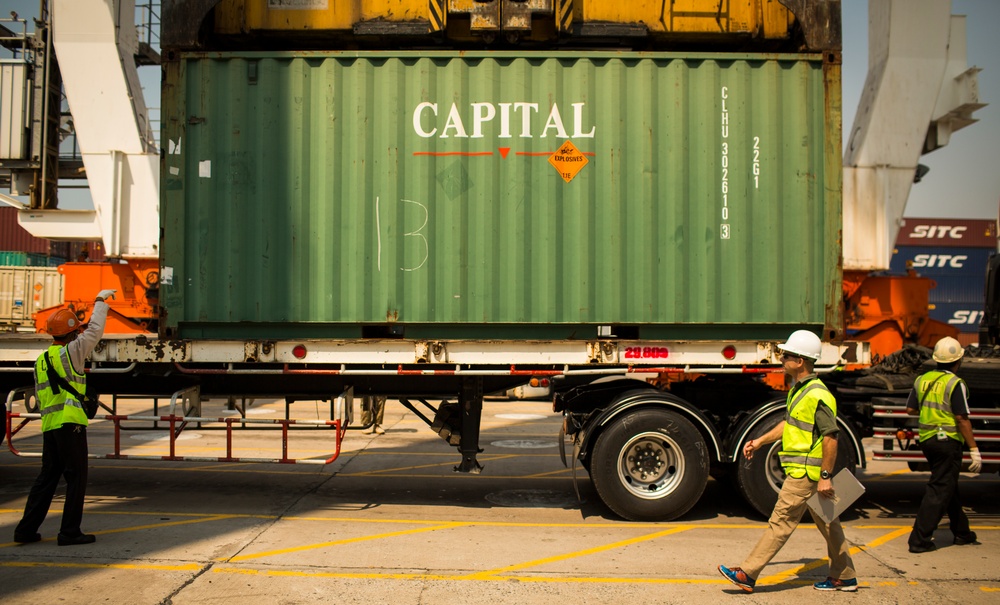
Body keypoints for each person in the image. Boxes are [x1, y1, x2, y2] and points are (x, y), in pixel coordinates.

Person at [718, 330, 857, 593]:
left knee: (780, 521)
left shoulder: (818, 394)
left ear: (801, 361)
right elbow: (789, 424)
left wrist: (825, 477)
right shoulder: (800, 390)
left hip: (807, 472)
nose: (781, 358)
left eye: (786, 355)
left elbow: (831, 437)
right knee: (829, 522)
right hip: (806, 470)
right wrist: (759, 442)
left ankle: (747, 573)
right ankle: (845, 576)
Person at [13, 289, 116, 546]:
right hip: (70, 424)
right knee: (76, 477)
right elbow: (95, 331)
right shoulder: (72, 352)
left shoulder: (41, 360)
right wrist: (100, 302)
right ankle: (69, 532)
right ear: (71, 333)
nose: (80, 333)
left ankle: (25, 530)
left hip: (50, 425)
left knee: (47, 477)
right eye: (76, 331)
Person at [905, 336, 981, 553]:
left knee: (948, 485)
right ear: (958, 362)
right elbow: (961, 419)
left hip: (928, 441)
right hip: (948, 442)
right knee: (939, 489)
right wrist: (974, 449)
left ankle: (962, 532)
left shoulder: (922, 380)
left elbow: (910, 409)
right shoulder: (955, 383)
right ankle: (918, 540)